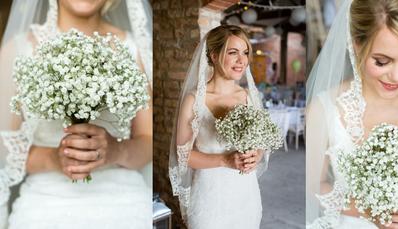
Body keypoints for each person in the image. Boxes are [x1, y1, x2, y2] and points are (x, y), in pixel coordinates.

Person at [306, 0, 398, 228]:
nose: (397, 76)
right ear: (357, 44)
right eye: (382, 61)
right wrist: (369, 210)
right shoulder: (323, 108)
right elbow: (313, 185)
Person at [0, 0, 153, 228]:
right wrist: (56, 158)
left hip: (124, 200)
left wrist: (115, 150)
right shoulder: (19, 48)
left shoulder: (135, 48)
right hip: (44, 203)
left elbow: (149, 141)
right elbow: (5, 150)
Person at [168, 25, 271, 229]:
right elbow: (183, 156)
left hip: (246, 197)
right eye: (233, 52)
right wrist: (224, 160)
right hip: (210, 200)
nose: (242, 61)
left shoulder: (248, 97)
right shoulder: (194, 101)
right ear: (214, 56)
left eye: (245, 52)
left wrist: (256, 155)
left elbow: (261, 143)